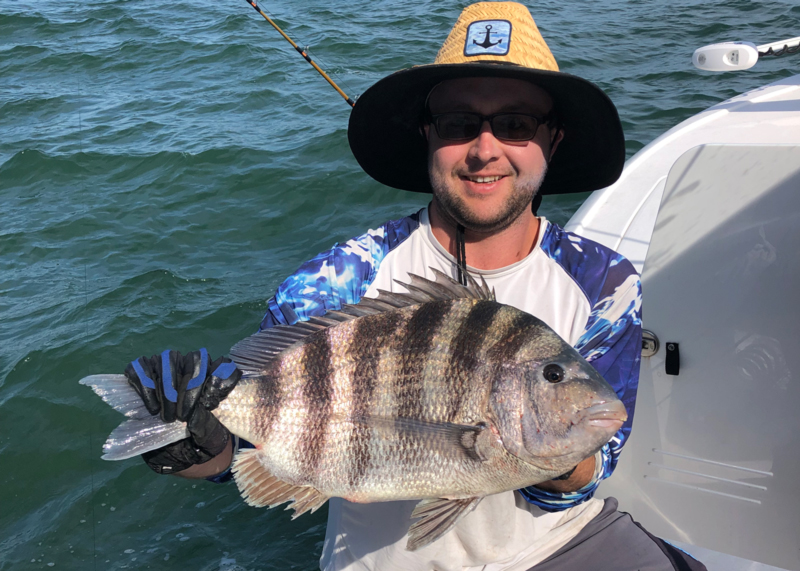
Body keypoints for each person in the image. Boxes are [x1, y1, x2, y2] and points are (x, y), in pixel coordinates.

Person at [123, 3, 707, 570]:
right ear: (428, 135)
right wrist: (193, 443)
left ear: (552, 140)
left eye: (515, 124)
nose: (485, 150)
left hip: (563, 543)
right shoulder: (336, 280)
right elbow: (250, 454)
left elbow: (584, 477)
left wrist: (533, 445)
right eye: (459, 125)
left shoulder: (603, 280)